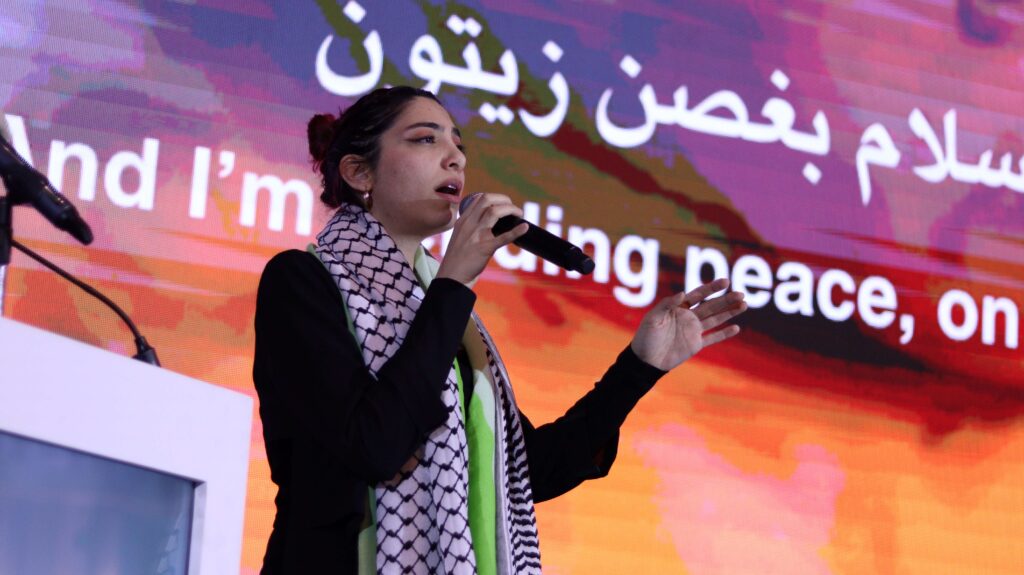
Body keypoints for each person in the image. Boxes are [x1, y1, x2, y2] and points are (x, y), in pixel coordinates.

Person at [252, 86, 746, 574]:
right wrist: (451, 286)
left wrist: (639, 367)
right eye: (426, 140)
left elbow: (526, 472)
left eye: (459, 146)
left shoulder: (452, 321)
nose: (455, 160)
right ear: (360, 172)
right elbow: (373, 445)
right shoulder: (302, 282)